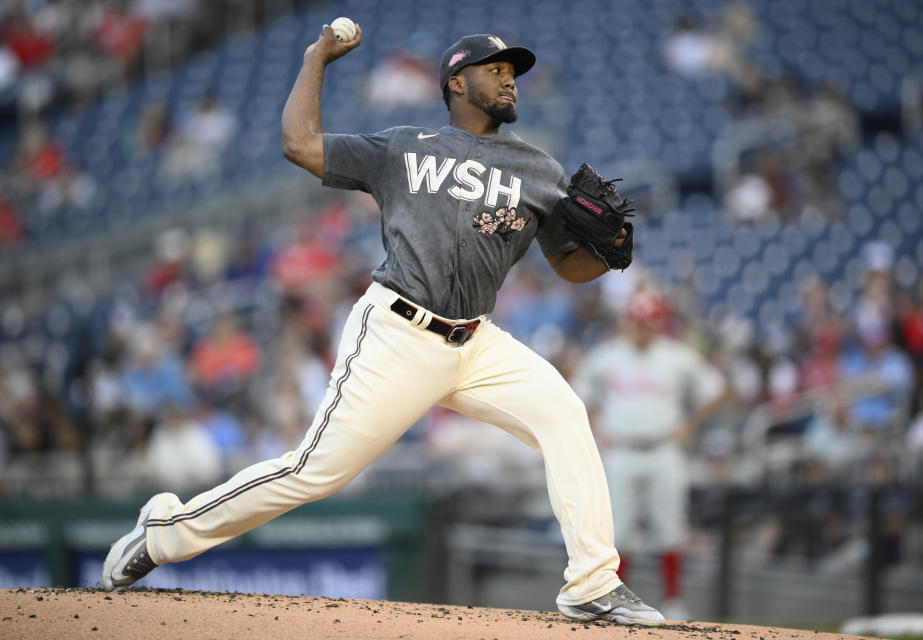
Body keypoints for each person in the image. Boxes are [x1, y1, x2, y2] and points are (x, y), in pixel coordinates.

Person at [101, 26, 665, 626]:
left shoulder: (538, 168)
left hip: (476, 341)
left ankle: (591, 583)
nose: (508, 78)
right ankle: (165, 532)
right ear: (456, 82)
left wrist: (609, 253)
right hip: (398, 332)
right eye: (494, 68)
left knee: (564, 415)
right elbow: (299, 143)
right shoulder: (404, 145)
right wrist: (317, 58)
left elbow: (566, 265)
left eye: (513, 71)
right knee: (315, 472)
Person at [573, 286, 728, 621]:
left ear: (658, 322)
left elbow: (716, 388)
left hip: (663, 449)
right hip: (623, 451)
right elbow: (579, 391)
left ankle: (672, 600)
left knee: (670, 527)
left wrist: (690, 423)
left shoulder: (675, 355)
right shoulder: (608, 355)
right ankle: (617, 599)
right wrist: (597, 425)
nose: (642, 328)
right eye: (637, 321)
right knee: (617, 530)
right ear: (628, 321)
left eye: (648, 322)